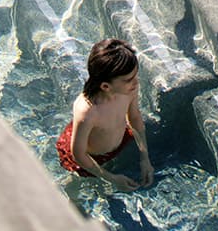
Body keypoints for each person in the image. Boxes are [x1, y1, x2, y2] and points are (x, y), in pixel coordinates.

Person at [56, 38, 153, 190]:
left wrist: (144, 157)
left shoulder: (128, 89)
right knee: (75, 184)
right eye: (129, 79)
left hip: (116, 143)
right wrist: (111, 178)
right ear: (106, 86)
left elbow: (134, 117)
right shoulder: (87, 111)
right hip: (89, 156)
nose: (136, 82)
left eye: (135, 75)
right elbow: (79, 155)